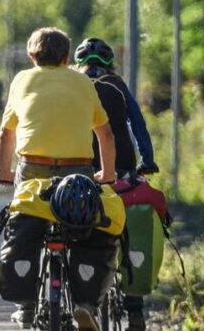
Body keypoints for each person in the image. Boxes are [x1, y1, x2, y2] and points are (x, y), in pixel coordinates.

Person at [0, 27, 117, 330]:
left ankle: (25, 307)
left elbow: (7, 134)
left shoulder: (22, 80)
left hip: (33, 170)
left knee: (26, 224)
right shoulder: (82, 82)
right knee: (87, 230)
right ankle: (86, 304)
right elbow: (105, 134)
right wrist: (108, 173)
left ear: (32, 56)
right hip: (78, 171)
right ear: (66, 57)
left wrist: (5, 172)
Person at [74, 37, 159, 331]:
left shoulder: (73, 85)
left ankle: (80, 295)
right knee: (127, 230)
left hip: (80, 168)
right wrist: (148, 160)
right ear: (111, 64)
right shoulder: (118, 86)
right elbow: (138, 124)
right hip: (120, 169)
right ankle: (135, 310)